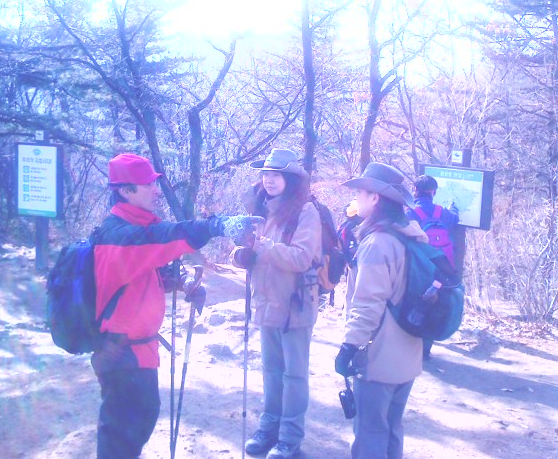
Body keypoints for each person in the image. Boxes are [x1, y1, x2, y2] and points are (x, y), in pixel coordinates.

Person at [90, 153, 262, 459]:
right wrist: (217, 225)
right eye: (147, 185)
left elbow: (142, 275)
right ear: (126, 191)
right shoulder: (119, 235)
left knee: (140, 415)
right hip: (121, 351)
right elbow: (165, 237)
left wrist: (182, 284)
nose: (156, 190)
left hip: (137, 348)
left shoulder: (134, 230)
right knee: (122, 429)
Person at [231, 148, 322, 459]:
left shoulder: (306, 212)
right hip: (266, 302)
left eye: (276, 175)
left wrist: (264, 247)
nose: (268, 180)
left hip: (296, 306)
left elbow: (301, 258)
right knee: (271, 370)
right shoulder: (260, 210)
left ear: (290, 179)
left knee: (294, 375)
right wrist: (241, 255)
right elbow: (246, 250)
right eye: (266, 174)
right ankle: (268, 427)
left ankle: (289, 437)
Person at [334, 162, 428, 459]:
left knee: (371, 431)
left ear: (375, 198)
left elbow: (368, 304)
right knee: (392, 428)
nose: (356, 199)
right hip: (408, 352)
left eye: (360, 193)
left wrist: (349, 347)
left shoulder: (377, 243)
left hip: (378, 356)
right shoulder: (410, 235)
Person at [406, 174, 459, 359]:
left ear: (415, 190)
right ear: (433, 192)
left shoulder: (411, 213)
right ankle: (426, 349)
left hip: (420, 267)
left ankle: (412, 346)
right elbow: (454, 219)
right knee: (434, 303)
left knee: (416, 302)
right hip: (441, 268)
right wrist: (454, 207)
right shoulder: (441, 212)